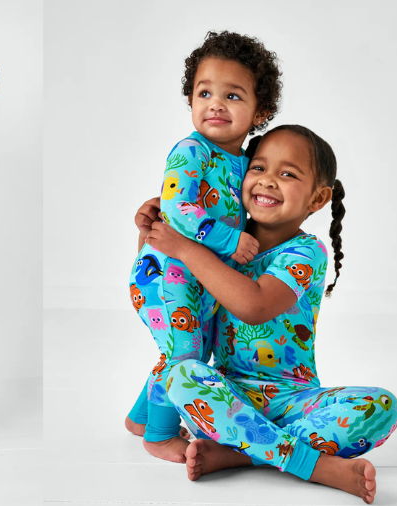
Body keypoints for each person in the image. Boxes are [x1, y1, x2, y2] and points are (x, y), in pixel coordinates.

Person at [145, 125, 397, 504]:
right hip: (228, 397)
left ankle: (241, 453)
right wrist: (155, 230)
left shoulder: (306, 253)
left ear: (318, 198)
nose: (267, 182)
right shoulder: (217, 240)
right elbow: (165, 286)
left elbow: (254, 306)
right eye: (258, 168)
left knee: (382, 406)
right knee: (183, 375)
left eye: (287, 174)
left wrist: (186, 249)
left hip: (295, 398)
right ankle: (312, 465)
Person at [125, 31, 281, 463]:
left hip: (199, 279)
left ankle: (141, 416)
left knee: (195, 350)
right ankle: (156, 435)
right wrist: (231, 239)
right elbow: (177, 209)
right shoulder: (191, 151)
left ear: (260, 111)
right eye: (205, 92)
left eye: (232, 95)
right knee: (183, 353)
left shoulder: (246, 161)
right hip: (164, 275)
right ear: (190, 99)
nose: (215, 103)